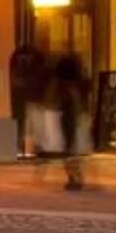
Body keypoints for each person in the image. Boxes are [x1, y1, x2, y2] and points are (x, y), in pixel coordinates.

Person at [47, 51, 94, 191]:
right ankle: (76, 177)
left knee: (69, 151)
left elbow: (53, 102)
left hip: (69, 121)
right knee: (73, 151)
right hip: (77, 120)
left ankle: (75, 178)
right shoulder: (80, 85)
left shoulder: (65, 89)